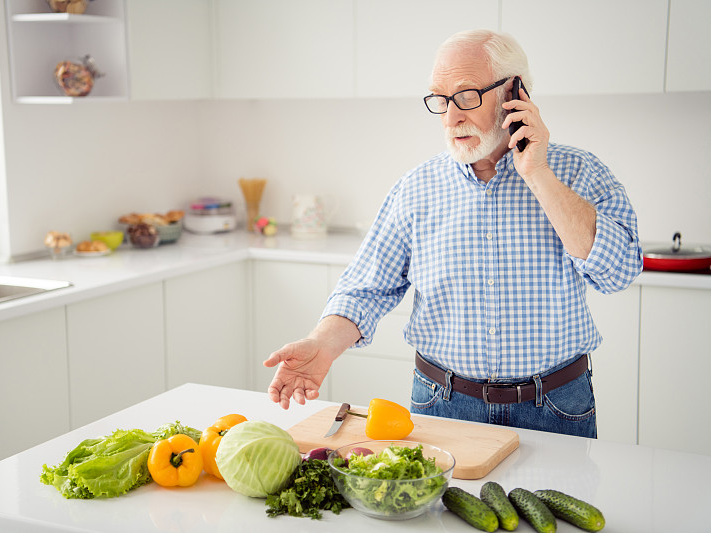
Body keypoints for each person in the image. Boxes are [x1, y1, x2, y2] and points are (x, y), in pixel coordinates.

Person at [263, 29, 642, 437]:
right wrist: (322, 344)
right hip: (441, 404)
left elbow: (618, 272)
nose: (451, 118)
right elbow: (365, 288)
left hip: (555, 406)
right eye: (440, 101)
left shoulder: (580, 173)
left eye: (465, 97)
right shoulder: (416, 188)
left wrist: (538, 173)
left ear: (515, 94)